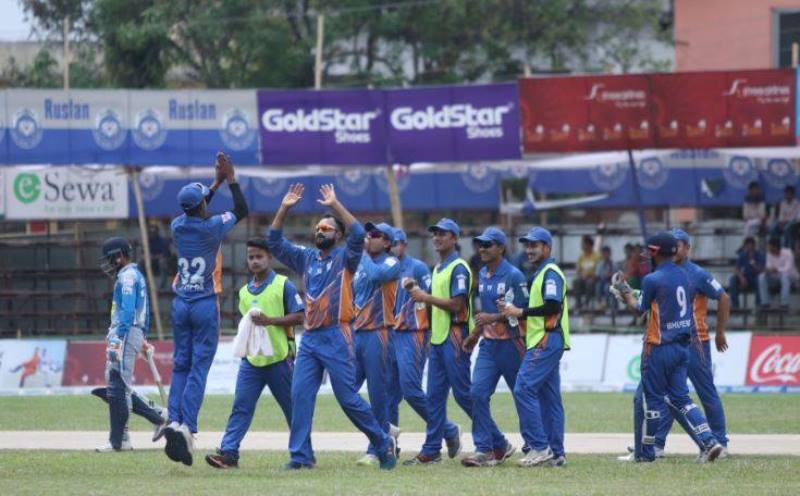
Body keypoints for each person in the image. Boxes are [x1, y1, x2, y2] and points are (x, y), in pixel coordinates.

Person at [267, 183, 396, 470]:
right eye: (318, 228)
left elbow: (359, 234)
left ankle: (382, 441)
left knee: (347, 398)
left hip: (337, 334)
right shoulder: (306, 258)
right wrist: (284, 208)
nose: (320, 231)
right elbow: (274, 242)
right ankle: (301, 456)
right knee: (299, 395)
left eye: (326, 228)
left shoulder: (346, 257)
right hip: (311, 339)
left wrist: (335, 205)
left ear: (338, 235)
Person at [164, 152, 249, 466]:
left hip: (180, 303)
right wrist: (230, 179)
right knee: (198, 368)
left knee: (180, 366)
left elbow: (196, 207)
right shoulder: (212, 227)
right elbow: (241, 210)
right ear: (202, 206)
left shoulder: (177, 226)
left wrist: (214, 183)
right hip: (203, 304)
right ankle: (187, 427)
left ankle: (173, 420)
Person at [612, 231, 724, 463]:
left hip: (658, 347)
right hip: (682, 347)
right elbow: (663, 301)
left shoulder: (652, 279)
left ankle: (647, 453)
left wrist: (625, 292)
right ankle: (710, 441)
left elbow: (640, 308)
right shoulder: (686, 275)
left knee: (650, 401)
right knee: (681, 399)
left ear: (655, 252)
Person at [205, 238, 304, 469]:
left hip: (280, 359)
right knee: (241, 407)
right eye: (251, 257)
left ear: (269, 258)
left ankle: (303, 455)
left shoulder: (283, 285)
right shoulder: (244, 292)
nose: (255, 261)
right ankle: (229, 454)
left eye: (259, 256)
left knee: (292, 409)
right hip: (251, 360)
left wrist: (270, 321)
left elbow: (300, 316)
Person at [652, 230, 731, 458]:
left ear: (688, 248)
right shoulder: (664, 272)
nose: (674, 249)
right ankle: (657, 444)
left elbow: (723, 297)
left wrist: (720, 332)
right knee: (671, 395)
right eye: (672, 244)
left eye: (678, 245)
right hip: (673, 341)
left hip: (696, 342)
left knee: (706, 392)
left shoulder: (698, 274)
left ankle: (720, 441)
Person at [499, 227, 569, 467]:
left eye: (534, 246)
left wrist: (520, 311)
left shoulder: (550, 273)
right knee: (550, 398)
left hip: (546, 339)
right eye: (527, 246)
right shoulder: (541, 273)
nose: (529, 250)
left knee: (523, 388)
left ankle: (539, 447)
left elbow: (552, 307)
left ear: (547, 247)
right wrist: (512, 310)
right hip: (546, 339)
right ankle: (556, 453)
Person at [403, 218, 472, 465]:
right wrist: (419, 296)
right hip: (439, 338)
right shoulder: (439, 268)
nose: (437, 238)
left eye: (443, 234)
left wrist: (425, 297)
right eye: (435, 234)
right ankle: (431, 450)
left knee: (464, 395)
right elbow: (434, 304)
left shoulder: (459, 268)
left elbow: (457, 305)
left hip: (455, 337)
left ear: (454, 238)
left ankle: (496, 441)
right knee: (433, 398)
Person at [460, 227, 527, 467]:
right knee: (477, 393)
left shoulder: (514, 275)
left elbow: (523, 312)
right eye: (480, 244)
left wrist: (493, 318)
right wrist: (475, 334)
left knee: (523, 396)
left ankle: (535, 446)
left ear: (501, 248)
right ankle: (486, 449)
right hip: (488, 345)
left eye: (487, 245)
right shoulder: (483, 274)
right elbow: (485, 313)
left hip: (512, 344)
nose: (482, 249)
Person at [387, 227, 458, 447]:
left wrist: (430, 332)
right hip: (390, 333)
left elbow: (431, 297)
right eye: (389, 244)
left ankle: (448, 429)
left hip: (413, 333)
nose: (392, 248)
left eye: (396, 243)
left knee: (411, 390)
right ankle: (388, 444)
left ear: (404, 245)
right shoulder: (385, 268)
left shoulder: (416, 267)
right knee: (389, 394)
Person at [96, 236, 165, 453]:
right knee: (117, 384)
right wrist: (140, 337)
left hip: (124, 332)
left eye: (109, 258)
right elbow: (141, 310)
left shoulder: (127, 277)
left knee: (118, 387)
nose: (108, 263)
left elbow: (127, 310)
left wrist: (119, 336)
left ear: (119, 256)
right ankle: (157, 416)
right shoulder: (133, 275)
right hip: (130, 332)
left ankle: (120, 440)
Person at [351, 221, 402, 466]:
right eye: (368, 233)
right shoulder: (361, 264)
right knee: (345, 390)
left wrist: (361, 252)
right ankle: (386, 429)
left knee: (377, 394)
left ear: (387, 242)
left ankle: (376, 448)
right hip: (357, 333)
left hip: (379, 333)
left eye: (375, 234)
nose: (369, 237)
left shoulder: (391, 262)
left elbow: (377, 275)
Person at [758, 237, 799, 309]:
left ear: (776, 247)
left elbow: (788, 268)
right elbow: (769, 266)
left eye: (770, 247)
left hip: (791, 277)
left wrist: (776, 269)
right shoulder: (769, 254)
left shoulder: (788, 253)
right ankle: (765, 303)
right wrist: (768, 270)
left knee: (784, 276)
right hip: (776, 277)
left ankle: (784, 303)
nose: (769, 249)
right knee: (762, 276)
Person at [728, 237, 765, 309]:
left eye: (751, 246)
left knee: (760, 280)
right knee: (732, 279)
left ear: (754, 246)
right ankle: (735, 304)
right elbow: (736, 269)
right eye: (747, 246)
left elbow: (761, 270)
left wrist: (753, 263)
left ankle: (758, 305)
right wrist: (741, 277)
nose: (749, 248)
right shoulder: (742, 255)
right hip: (745, 277)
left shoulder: (760, 254)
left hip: (755, 278)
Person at [573, 235, 600, 308]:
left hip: (593, 278)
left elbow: (598, 271)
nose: (584, 247)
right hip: (583, 278)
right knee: (576, 282)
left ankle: (586, 303)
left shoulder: (596, 256)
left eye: (586, 245)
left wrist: (589, 275)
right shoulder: (581, 257)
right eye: (584, 245)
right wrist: (582, 275)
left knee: (589, 283)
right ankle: (578, 303)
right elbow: (578, 269)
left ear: (590, 245)